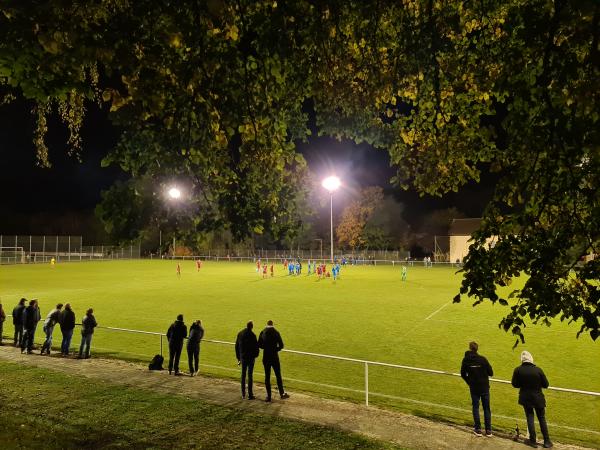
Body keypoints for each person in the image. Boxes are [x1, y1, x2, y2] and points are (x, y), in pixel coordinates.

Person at [512, 351, 553, 448]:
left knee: (530, 418)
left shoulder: (518, 370)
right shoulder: (538, 370)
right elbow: (546, 384)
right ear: (531, 359)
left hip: (525, 398)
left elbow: (515, 384)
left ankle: (533, 441)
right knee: (541, 418)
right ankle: (547, 441)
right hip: (538, 398)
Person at [460, 341, 494, 437]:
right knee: (486, 408)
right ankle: (488, 431)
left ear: (470, 348)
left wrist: (469, 382)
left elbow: (462, 374)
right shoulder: (483, 359)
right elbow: (491, 373)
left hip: (474, 387)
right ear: (477, 349)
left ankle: (478, 429)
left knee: (475, 407)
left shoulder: (466, 360)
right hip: (484, 387)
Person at [258, 320, 289, 402]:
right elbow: (281, 345)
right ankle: (282, 394)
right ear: (272, 324)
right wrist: (275, 349)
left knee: (267, 376)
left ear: (267, 324)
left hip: (266, 357)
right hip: (274, 357)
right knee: (278, 375)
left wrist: (265, 348)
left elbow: (259, 344)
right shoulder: (276, 332)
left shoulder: (263, 332)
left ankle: (268, 397)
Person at [235, 320, 260, 400]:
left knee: (243, 375)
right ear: (252, 327)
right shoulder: (253, 335)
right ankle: (250, 394)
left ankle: (243, 394)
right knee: (250, 376)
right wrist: (255, 356)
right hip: (250, 358)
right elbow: (256, 348)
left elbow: (236, 346)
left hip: (243, 358)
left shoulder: (240, 333)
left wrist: (238, 358)